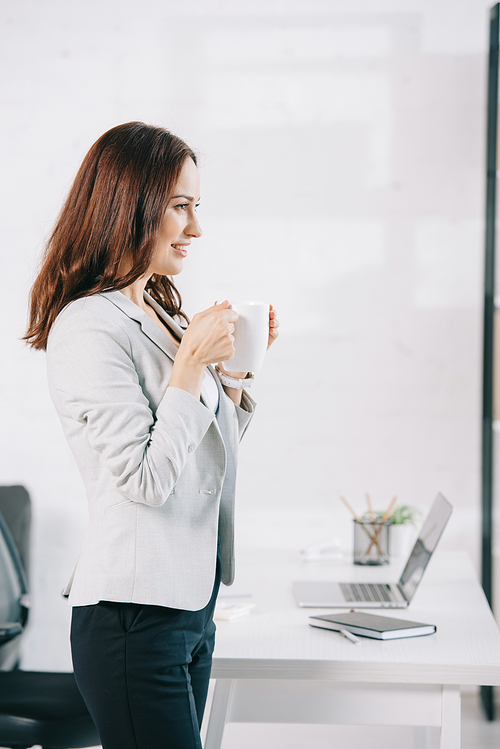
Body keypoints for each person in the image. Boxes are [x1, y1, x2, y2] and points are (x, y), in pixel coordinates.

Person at [24, 121, 279, 749]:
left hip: (188, 604)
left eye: (198, 207)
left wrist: (237, 372)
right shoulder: (88, 327)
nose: (196, 229)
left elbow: (209, 454)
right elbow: (144, 480)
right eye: (181, 207)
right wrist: (191, 365)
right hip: (134, 617)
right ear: (131, 208)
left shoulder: (159, 311)